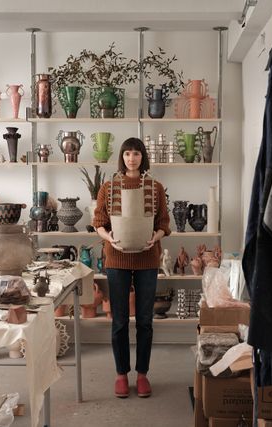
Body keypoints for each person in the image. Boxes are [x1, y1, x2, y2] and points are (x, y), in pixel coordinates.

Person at [93, 137, 170, 398]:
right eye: (127, 153)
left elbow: (164, 223)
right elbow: (99, 222)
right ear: (122, 157)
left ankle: (142, 374)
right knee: (120, 321)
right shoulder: (108, 187)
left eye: (136, 153)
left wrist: (155, 238)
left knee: (146, 321)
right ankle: (121, 375)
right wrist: (108, 238)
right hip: (117, 259)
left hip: (148, 259)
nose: (132, 158)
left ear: (142, 156)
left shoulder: (155, 187)